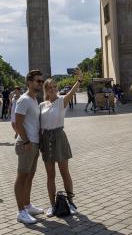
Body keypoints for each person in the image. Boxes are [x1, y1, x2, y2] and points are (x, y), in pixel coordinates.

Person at [40, 69, 83, 217]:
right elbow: (38, 125)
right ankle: (52, 205)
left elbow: (72, 92)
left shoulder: (61, 101)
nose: (53, 90)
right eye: (50, 88)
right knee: (50, 175)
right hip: (46, 138)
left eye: (55, 87)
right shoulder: (41, 105)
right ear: (46, 90)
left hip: (59, 136)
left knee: (65, 172)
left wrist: (79, 80)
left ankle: (71, 202)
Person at [13, 70, 45, 224]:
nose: (41, 83)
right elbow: (16, 123)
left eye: (41, 81)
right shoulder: (24, 100)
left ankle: (27, 205)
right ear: (29, 83)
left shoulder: (34, 99)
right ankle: (21, 212)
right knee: (22, 178)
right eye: (38, 81)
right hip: (26, 143)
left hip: (34, 143)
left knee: (29, 177)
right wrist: (26, 141)